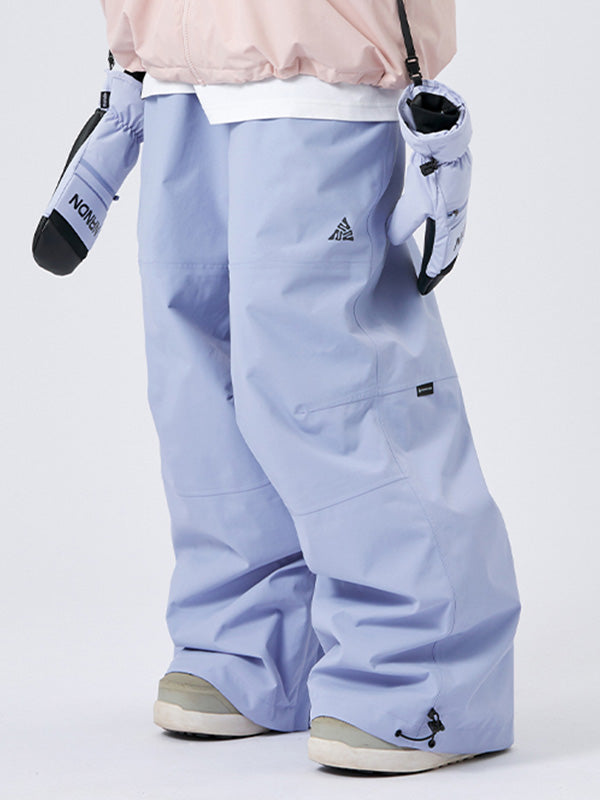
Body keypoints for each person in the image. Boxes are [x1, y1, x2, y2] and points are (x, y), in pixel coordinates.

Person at [99, 0, 521, 774]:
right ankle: (252, 644)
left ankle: (423, 673)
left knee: (328, 372)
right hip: (172, 69)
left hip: (317, 54)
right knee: (198, 378)